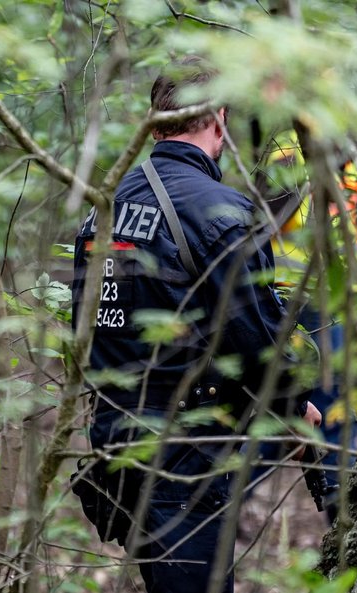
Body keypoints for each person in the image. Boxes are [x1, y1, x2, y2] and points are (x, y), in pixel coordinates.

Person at [71, 57, 322, 593]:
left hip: (115, 441)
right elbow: (257, 342)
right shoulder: (221, 213)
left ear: (157, 119)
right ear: (219, 118)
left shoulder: (103, 207)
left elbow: (89, 328)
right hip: (184, 454)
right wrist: (295, 409)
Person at [252, 125, 357, 523]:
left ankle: (341, 513)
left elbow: (263, 216)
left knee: (313, 412)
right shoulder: (346, 145)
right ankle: (340, 513)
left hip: (306, 296)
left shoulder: (289, 141)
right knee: (327, 417)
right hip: (309, 298)